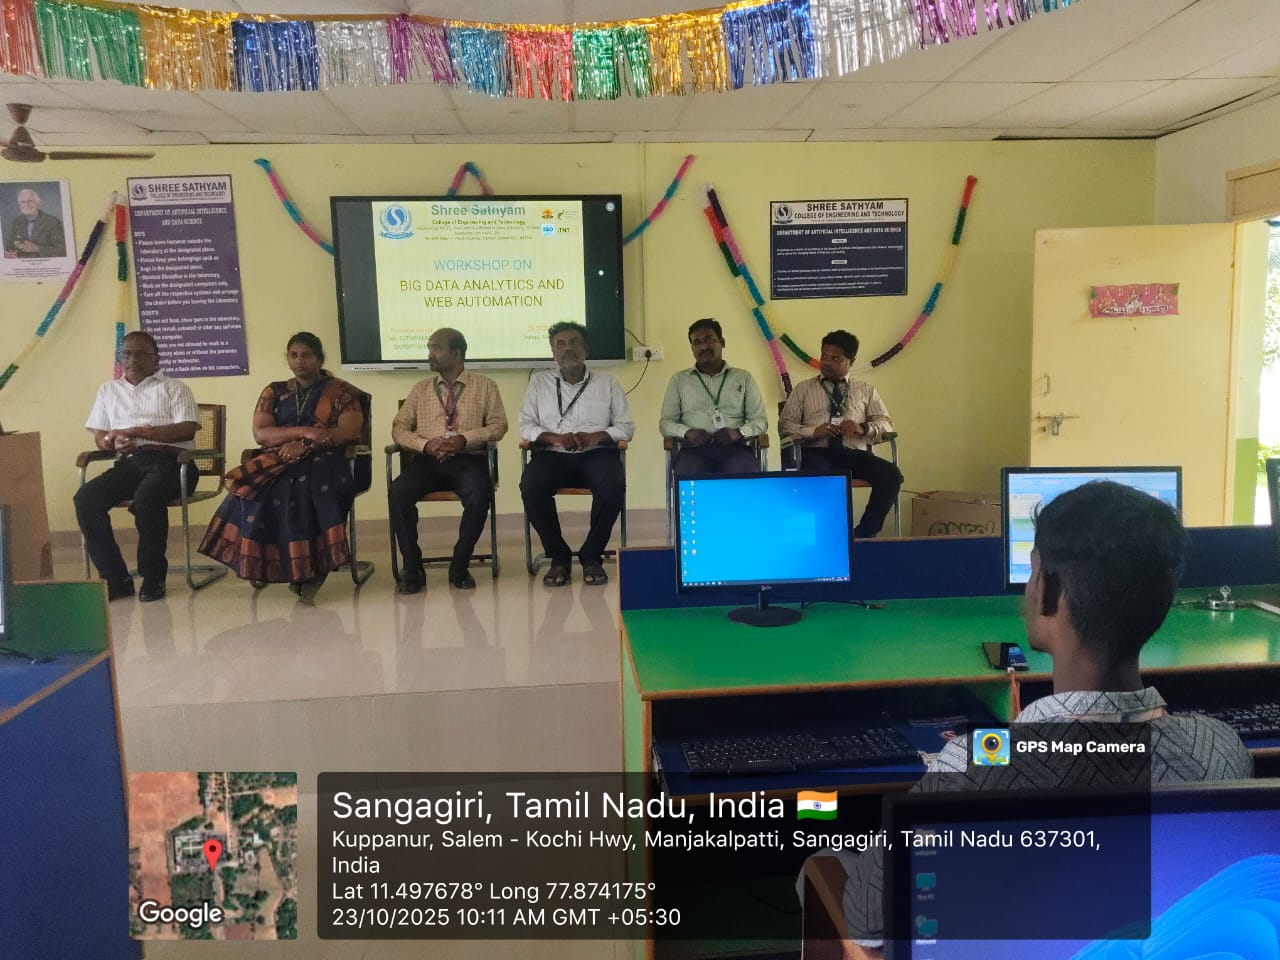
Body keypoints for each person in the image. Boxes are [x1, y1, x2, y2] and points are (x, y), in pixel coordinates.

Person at [824, 481, 1254, 951]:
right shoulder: (1220, 750)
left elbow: (868, 921)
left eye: (1033, 574)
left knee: (824, 866)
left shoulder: (972, 765)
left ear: (1048, 592)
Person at [198, 333, 366, 604]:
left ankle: (312, 570)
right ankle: (262, 563)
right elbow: (262, 434)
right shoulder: (274, 391)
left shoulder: (341, 392)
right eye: (293, 355)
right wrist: (304, 432)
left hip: (326, 460)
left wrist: (307, 445)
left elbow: (348, 431)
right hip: (279, 458)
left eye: (307, 355)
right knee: (253, 488)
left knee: (304, 488)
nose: (299, 361)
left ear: (320, 359)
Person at [75, 331, 199, 602]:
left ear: (156, 359)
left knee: (146, 496)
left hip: (174, 464)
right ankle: (115, 578)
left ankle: (153, 577)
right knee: (86, 498)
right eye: (127, 353)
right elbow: (101, 435)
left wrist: (136, 432)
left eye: (141, 354)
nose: (132, 359)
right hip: (131, 464)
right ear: (120, 358)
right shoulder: (108, 390)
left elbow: (187, 429)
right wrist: (111, 441)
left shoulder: (175, 388)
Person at [389, 328, 508, 594]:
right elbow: (399, 428)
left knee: (480, 493)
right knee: (398, 491)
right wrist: (425, 445)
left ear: (456, 352)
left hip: (468, 459)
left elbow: (499, 425)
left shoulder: (485, 385)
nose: (430, 353)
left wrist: (465, 439)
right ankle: (412, 568)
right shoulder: (421, 389)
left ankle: (460, 566)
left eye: (436, 348)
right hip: (427, 461)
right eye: (429, 347)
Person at [519, 321, 635, 587]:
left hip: (596, 453)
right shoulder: (539, 383)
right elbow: (526, 425)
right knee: (531, 486)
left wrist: (598, 435)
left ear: (586, 349)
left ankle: (591, 555)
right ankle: (558, 556)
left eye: (574, 343)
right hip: (553, 453)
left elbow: (626, 426)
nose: (567, 349)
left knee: (613, 486)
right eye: (560, 344)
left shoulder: (607, 383)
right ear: (553, 351)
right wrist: (554, 437)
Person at [779, 330, 902, 538]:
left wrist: (863, 428)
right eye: (824, 356)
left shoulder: (866, 390)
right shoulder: (803, 389)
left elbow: (887, 425)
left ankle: (863, 535)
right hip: (817, 453)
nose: (826, 362)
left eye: (835, 358)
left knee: (892, 475)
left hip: (854, 454)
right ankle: (827, 536)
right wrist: (813, 431)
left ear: (851, 361)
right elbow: (785, 426)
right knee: (822, 478)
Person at [659, 317, 768, 475]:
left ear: (722, 342)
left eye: (709, 339)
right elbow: (666, 423)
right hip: (693, 451)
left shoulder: (743, 378)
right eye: (697, 342)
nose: (704, 346)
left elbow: (760, 421)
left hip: (735, 449)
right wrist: (688, 432)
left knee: (743, 471)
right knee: (690, 472)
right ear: (692, 349)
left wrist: (738, 432)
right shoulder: (679, 380)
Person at [6, 187, 66, 258]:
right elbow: (10, 246)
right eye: (23, 202)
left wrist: (38, 249)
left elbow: (62, 250)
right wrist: (12, 251)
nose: (27, 205)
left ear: (38, 203)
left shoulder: (53, 221)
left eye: (30, 201)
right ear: (19, 204)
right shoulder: (17, 221)